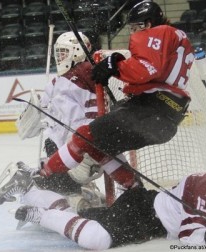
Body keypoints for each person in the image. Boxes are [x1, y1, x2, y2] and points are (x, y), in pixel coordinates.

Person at [35, 1, 194, 183]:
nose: (133, 33)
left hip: (150, 110)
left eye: (135, 27)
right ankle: (135, 194)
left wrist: (114, 65)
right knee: (100, 146)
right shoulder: (176, 37)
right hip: (166, 120)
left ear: (148, 23)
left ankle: (46, 174)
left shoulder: (158, 32)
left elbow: (144, 70)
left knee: (84, 136)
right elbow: (153, 72)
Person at [0, 31, 138, 205]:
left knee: (70, 165)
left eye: (64, 51)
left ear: (77, 51)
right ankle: (123, 191)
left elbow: (61, 116)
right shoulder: (85, 73)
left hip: (82, 145)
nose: (59, 57)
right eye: (58, 52)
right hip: (87, 142)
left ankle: (27, 180)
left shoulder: (68, 80)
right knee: (107, 164)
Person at [5, 153, 206, 250]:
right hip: (143, 212)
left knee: (87, 218)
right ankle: (39, 215)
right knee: (96, 239)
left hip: (148, 215)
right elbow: (189, 236)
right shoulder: (203, 189)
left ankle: (30, 192)